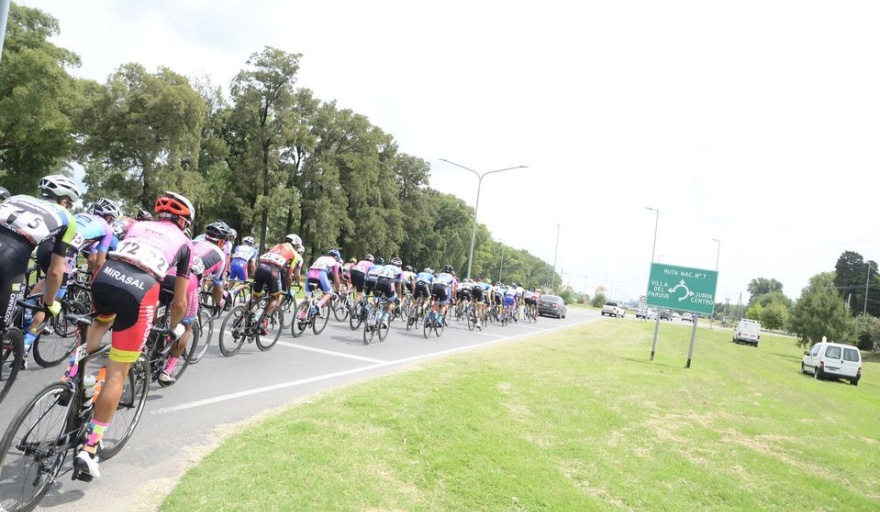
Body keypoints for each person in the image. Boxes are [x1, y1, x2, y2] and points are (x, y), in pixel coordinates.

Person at [74, 191, 194, 478]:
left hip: (106, 275)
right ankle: (90, 448)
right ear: (184, 221)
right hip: (140, 287)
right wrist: (173, 327)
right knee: (117, 373)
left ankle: (76, 380)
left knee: (100, 323)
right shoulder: (185, 243)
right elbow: (179, 302)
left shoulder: (137, 225)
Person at [24, 197, 121, 361]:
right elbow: (96, 261)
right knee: (50, 305)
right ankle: (25, 345)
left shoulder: (79, 215)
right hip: (64, 254)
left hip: (45, 247)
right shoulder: (106, 229)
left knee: (48, 280)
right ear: (109, 218)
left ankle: (25, 311)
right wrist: (96, 281)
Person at [0, 175, 79, 339]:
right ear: (64, 201)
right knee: (2, 328)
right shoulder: (67, 218)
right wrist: (49, 303)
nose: (69, 208)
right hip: (10, 259)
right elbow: (55, 271)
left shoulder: (16, 198)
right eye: (70, 205)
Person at [158, 220, 229, 385]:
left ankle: (149, 343)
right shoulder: (220, 255)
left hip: (165, 274)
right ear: (221, 242)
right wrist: (219, 302)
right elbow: (217, 287)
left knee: (159, 311)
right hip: (187, 281)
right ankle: (167, 371)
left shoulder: (191, 242)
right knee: (186, 326)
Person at [251, 234, 303, 333]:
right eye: (297, 246)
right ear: (295, 244)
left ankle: (243, 316)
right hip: (273, 270)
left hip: (260, 268)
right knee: (276, 297)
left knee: (255, 297)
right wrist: (288, 289)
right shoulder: (295, 255)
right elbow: (289, 275)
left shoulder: (276, 246)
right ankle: (264, 322)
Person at [303, 248, 343, 315]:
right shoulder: (335, 263)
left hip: (310, 273)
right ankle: (318, 306)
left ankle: (302, 315)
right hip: (321, 274)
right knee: (329, 292)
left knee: (308, 297)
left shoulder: (321, 258)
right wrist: (337, 291)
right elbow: (336, 280)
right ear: (336, 257)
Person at [228, 235, 259, 302]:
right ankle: (232, 292)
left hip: (233, 263)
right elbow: (252, 264)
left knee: (232, 281)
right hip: (242, 264)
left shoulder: (237, 247)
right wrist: (255, 274)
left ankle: (225, 294)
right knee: (242, 284)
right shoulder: (254, 250)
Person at [374, 257, 404, 327]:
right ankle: (385, 319)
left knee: (377, 299)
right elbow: (399, 287)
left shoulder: (385, 266)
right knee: (391, 302)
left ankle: (375, 313)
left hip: (379, 281)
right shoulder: (400, 271)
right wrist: (399, 297)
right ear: (400, 266)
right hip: (389, 282)